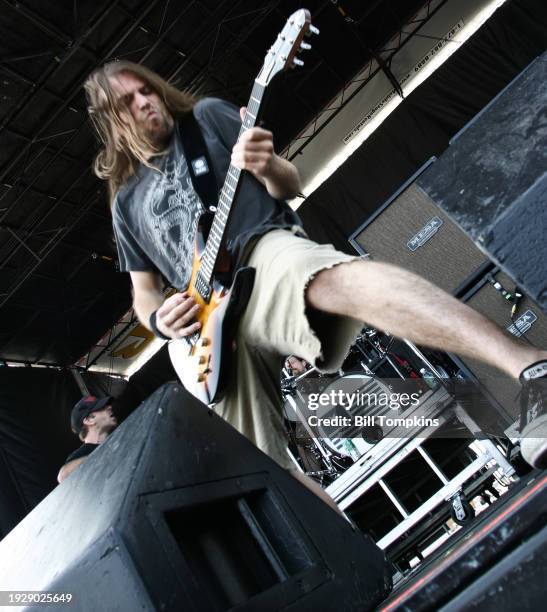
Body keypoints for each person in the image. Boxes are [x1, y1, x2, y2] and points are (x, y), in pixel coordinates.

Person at [83, 60, 546, 479]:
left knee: (333, 279)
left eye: (147, 90)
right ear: (111, 121)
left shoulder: (205, 118)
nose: (146, 102)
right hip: (209, 328)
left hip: (258, 252)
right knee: (263, 468)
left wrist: (266, 167)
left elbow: (288, 183)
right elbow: (143, 293)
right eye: (129, 101)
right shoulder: (125, 202)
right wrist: (160, 320)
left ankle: (532, 369)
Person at [57, 395, 117, 483]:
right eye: (102, 407)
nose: (109, 407)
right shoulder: (82, 453)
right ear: (89, 420)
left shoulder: (117, 440)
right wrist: (105, 453)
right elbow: (63, 476)